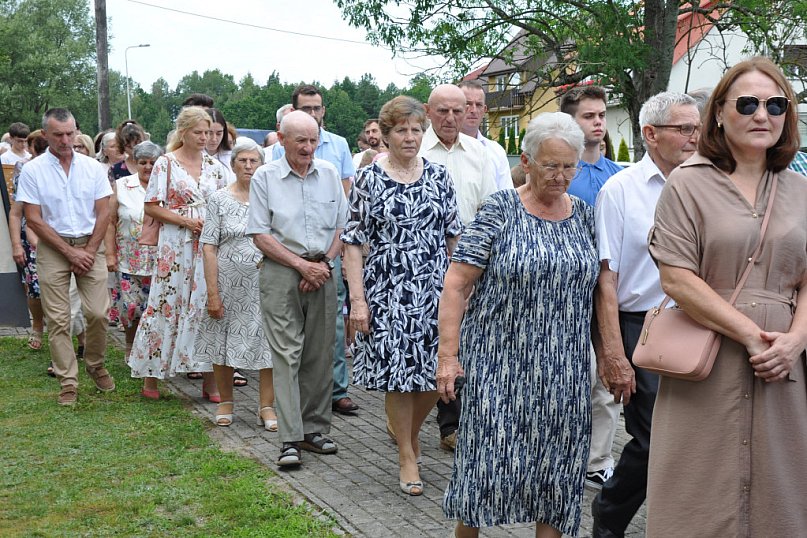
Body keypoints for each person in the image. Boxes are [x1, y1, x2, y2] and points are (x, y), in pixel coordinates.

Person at [646, 57, 807, 536]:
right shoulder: (688, 182)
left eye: (776, 104)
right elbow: (676, 278)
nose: (763, 114)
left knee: (783, 487)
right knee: (697, 485)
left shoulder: (801, 190)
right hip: (708, 359)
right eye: (748, 103)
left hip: (784, 364)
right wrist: (749, 334)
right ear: (718, 112)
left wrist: (796, 340)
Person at [437, 112, 599, 537]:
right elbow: (456, 283)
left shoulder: (583, 215)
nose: (561, 176)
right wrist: (448, 357)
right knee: (483, 470)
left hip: (564, 368)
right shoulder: (499, 209)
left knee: (559, 472)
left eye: (569, 166)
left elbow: (601, 289)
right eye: (551, 165)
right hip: (498, 363)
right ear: (526, 162)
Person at [590, 91, 701, 537]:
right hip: (643, 327)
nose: (695, 137)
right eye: (685, 129)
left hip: (698, 325)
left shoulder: (710, 183)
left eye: (698, 127)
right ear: (651, 135)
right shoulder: (620, 190)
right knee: (655, 436)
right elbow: (606, 280)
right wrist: (613, 354)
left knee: (693, 435)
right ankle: (610, 516)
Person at [342, 96, 462, 496]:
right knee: (398, 375)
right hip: (388, 288)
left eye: (415, 129)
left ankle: (404, 431)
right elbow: (353, 243)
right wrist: (358, 301)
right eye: (401, 130)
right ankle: (408, 456)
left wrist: (458, 291)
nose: (410, 137)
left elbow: (453, 236)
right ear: (386, 134)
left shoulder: (439, 176)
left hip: (432, 288)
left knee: (432, 375)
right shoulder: (368, 179)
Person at [247, 110, 348, 467]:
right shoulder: (265, 176)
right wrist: (300, 265)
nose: (308, 148)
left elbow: (341, 227)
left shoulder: (330, 173)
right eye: (300, 140)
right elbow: (260, 233)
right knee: (287, 354)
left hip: (323, 269)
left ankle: (314, 430)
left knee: (320, 354)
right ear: (282, 138)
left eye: (313, 140)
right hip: (281, 271)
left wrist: (322, 265)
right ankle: (290, 438)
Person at [15, 108, 115, 406]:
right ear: (45, 134)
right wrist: (69, 252)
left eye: (70, 133)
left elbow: (104, 212)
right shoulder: (33, 170)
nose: (66, 140)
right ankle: (68, 381)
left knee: (98, 313)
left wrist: (88, 250)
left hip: (90, 245)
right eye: (58, 134)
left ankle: (95, 364)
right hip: (53, 248)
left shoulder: (93, 168)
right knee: (58, 319)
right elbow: (33, 219)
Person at [128, 106, 228, 400]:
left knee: (205, 304)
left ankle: (210, 382)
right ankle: (151, 379)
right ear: (183, 132)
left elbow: (224, 205)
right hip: (175, 244)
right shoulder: (165, 164)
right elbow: (151, 205)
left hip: (208, 245)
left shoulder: (216, 168)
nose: (205, 137)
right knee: (164, 304)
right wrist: (186, 220)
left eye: (208, 132)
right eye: (198, 132)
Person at [419, 83, 498, 451]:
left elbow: (488, 207)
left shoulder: (479, 154)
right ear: (428, 111)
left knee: (462, 342)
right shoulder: (416, 152)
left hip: (469, 262)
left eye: (458, 110)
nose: (451, 118)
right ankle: (419, 417)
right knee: (432, 343)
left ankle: (455, 423)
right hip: (425, 263)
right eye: (443, 111)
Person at [272, 84, 359, 416]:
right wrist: (300, 264)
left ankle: (336, 389)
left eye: (317, 109)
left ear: (324, 111)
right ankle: (294, 397)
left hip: (328, 253)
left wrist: (324, 261)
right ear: (293, 112)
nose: (313, 114)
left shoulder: (337, 146)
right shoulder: (274, 154)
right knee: (291, 330)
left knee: (332, 325)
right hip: (287, 258)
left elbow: (345, 201)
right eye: (305, 109)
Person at [560, 85, 623, 488]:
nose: (599, 122)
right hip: (565, 290)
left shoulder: (618, 175)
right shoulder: (563, 173)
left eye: (601, 115)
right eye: (589, 116)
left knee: (605, 382)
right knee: (568, 379)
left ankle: (598, 459)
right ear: (571, 121)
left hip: (605, 290)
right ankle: (562, 452)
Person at [194, 139, 276, 429]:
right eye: (243, 161)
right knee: (223, 342)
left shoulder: (270, 197)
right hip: (228, 282)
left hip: (266, 282)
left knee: (269, 343)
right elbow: (208, 246)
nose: (249, 166)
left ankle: (267, 406)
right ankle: (226, 402)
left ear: (262, 165)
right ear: (233, 164)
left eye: (254, 161)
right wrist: (213, 293)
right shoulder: (218, 198)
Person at [104, 141, 162, 361]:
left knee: (155, 307)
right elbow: (110, 221)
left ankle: (153, 350)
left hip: (160, 260)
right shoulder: (122, 184)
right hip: (129, 258)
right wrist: (110, 254)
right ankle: (130, 344)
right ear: (135, 163)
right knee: (131, 307)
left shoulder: (167, 185)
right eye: (143, 162)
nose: (148, 167)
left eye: (153, 162)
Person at [9, 130, 49, 351]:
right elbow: (17, 210)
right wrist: (17, 243)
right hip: (32, 233)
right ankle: (38, 325)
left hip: (59, 231)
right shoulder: (24, 169)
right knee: (35, 286)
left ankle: (62, 332)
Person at [458, 80, 514, 190]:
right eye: (467, 104)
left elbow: (506, 195)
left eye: (478, 105)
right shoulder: (442, 148)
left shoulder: (496, 152)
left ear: (484, 110)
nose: (473, 110)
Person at [205, 108, 234, 179]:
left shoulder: (232, 157)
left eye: (219, 133)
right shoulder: (192, 156)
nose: (214, 139)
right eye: (209, 133)